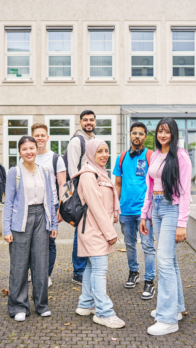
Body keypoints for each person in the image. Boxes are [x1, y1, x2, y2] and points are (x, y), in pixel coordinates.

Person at [140, 117, 192, 336]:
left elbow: (186, 191)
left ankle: (168, 319)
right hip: (158, 210)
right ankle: (176, 308)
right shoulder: (156, 155)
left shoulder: (180, 155)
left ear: (174, 133)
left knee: (164, 263)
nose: (163, 135)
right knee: (170, 261)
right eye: (160, 131)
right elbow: (150, 189)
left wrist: (182, 223)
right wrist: (145, 214)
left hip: (172, 208)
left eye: (167, 131)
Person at [3, 136, 58, 322]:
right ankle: (18, 306)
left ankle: (41, 305)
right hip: (21, 221)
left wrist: (54, 224)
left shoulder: (45, 171)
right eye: (25, 149)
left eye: (32, 148)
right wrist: (6, 229)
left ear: (37, 149)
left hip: (42, 218)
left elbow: (50, 199)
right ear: (20, 152)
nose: (29, 152)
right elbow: (8, 202)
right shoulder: (14, 172)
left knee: (41, 264)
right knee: (19, 266)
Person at [74, 139, 125, 328]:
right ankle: (104, 312)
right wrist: (110, 232)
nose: (104, 155)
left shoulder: (99, 172)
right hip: (94, 230)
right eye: (100, 151)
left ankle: (86, 304)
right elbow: (95, 206)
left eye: (106, 151)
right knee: (100, 270)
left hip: (95, 228)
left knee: (90, 267)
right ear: (91, 153)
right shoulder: (89, 174)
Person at [113, 122, 156, 300]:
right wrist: (115, 206)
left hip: (144, 211)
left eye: (140, 133)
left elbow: (156, 183)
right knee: (129, 244)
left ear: (145, 137)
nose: (137, 136)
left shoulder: (151, 156)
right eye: (134, 133)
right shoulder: (121, 157)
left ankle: (149, 281)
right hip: (125, 210)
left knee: (147, 246)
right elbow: (117, 184)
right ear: (129, 135)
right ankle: (133, 272)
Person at [28, 123, 66, 287]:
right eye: (37, 135)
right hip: (32, 205)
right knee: (31, 241)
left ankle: (47, 275)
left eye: (43, 135)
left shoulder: (56, 158)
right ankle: (34, 272)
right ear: (32, 137)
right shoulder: (29, 156)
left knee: (49, 242)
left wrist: (61, 208)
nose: (40, 138)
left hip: (51, 206)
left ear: (47, 137)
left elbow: (63, 184)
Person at [67, 110, 96, 285]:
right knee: (81, 231)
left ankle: (85, 268)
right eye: (85, 120)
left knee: (87, 231)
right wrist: (77, 195)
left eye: (91, 120)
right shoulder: (77, 142)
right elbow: (72, 172)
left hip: (91, 192)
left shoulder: (92, 140)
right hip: (81, 193)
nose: (89, 122)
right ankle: (78, 272)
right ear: (80, 122)